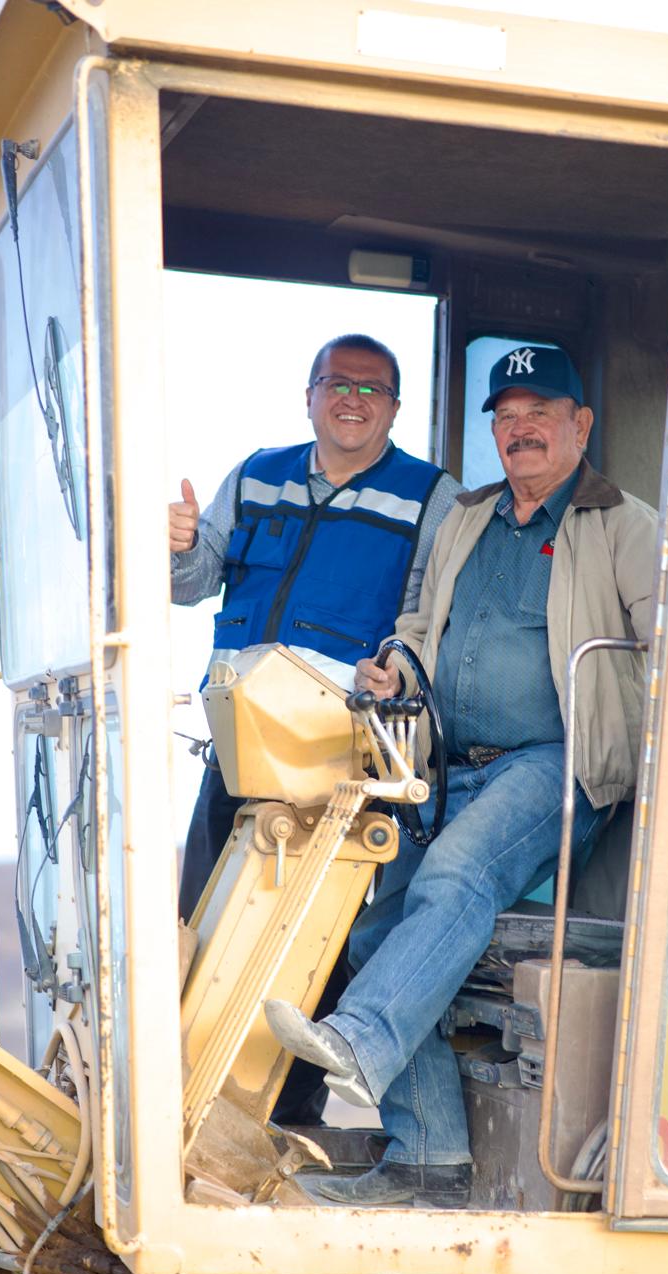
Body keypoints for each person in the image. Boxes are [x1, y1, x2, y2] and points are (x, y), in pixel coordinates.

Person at [264, 343, 657, 1203]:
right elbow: (416, 619)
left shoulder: (623, 522)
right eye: (506, 417)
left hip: (556, 766)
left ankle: (363, 1039)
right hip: (452, 767)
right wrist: (395, 667)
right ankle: (428, 1160)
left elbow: (666, 643)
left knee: (455, 874)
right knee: (378, 917)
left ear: (579, 425)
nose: (521, 431)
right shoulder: (467, 518)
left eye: (539, 414)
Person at [169, 333, 461, 1123]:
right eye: (338, 384)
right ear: (309, 395)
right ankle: (187, 1104)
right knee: (204, 918)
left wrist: (399, 661)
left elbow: (433, 614)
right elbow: (191, 585)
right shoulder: (256, 475)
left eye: (373, 390)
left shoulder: (432, 497)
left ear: (395, 408)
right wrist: (180, 546)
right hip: (240, 748)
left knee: (318, 940)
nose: (353, 400)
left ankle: (287, 1116)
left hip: (347, 757)